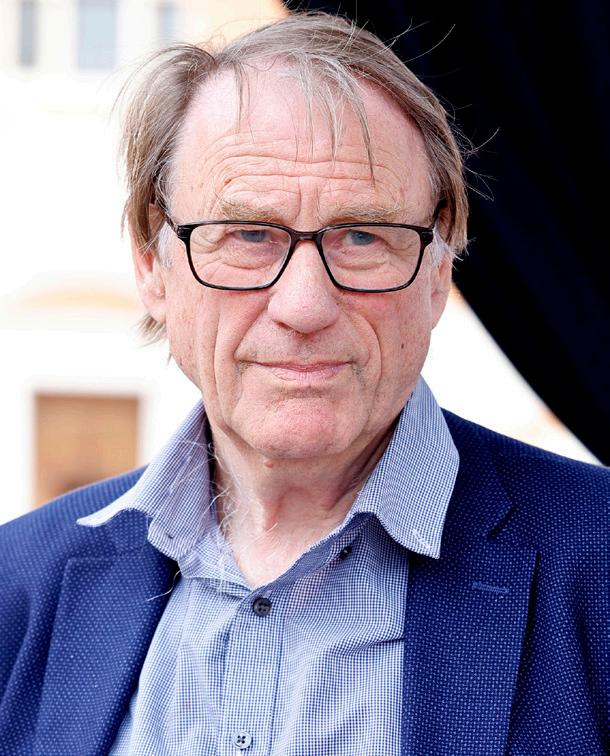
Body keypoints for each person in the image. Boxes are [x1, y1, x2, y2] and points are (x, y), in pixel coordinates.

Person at [1, 12, 607, 756]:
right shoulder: (15, 588)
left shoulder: (598, 564)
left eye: (363, 236)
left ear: (440, 264)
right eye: (249, 234)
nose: (305, 305)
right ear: (152, 263)